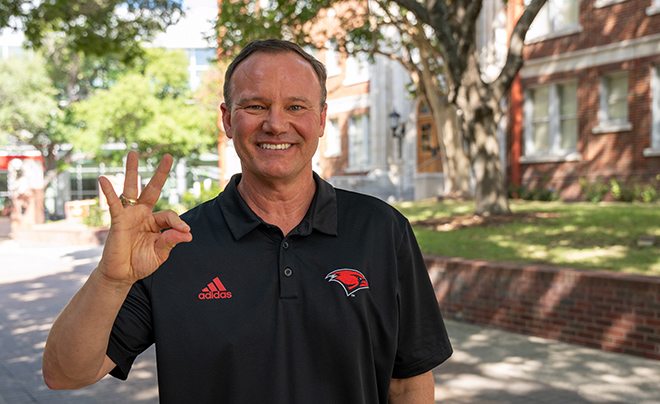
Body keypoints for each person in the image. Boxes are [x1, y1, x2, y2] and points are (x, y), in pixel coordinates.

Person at [42, 39, 452, 403]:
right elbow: (64, 374)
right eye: (256, 106)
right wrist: (112, 280)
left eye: (296, 106)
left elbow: (409, 382)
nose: (276, 123)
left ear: (322, 119)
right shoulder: (173, 245)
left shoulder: (382, 230)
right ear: (227, 118)